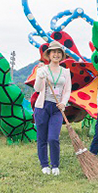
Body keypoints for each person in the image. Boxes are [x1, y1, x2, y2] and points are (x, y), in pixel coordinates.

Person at [34, 41, 71, 175]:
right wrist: (39, 76)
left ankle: (55, 165)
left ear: (62, 55)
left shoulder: (66, 72)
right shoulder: (43, 70)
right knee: (42, 138)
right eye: (53, 52)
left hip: (57, 108)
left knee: (53, 138)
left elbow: (67, 90)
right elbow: (37, 89)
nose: (56, 54)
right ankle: (44, 164)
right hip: (42, 107)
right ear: (49, 54)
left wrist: (64, 103)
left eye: (58, 52)